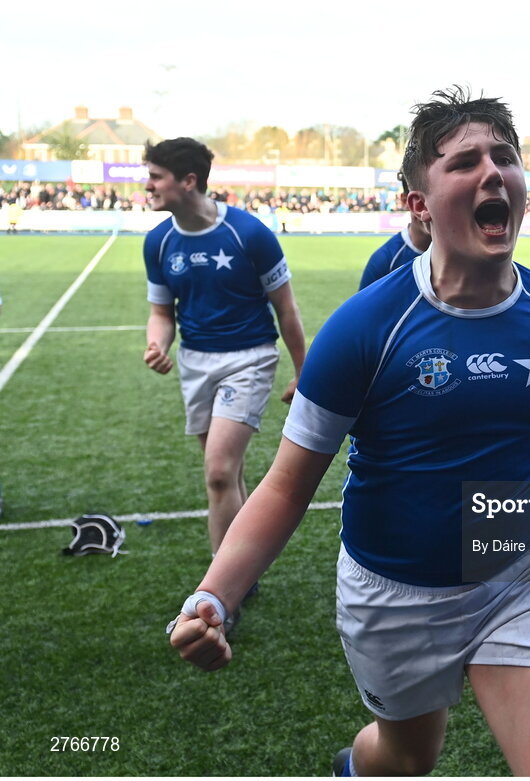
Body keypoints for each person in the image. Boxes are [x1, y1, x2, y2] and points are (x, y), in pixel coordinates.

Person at [166, 87, 530, 778]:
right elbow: (288, 486)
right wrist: (214, 595)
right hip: (393, 592)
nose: (491, 172)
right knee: (406, 757)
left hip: (517, 571)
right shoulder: (364, 327)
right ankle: (356, 764)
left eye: (504, 157)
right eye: (464, 161)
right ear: (419, 202)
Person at [142, 137, 307, 630]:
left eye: (155, 176)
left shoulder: (248, 234)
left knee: (217, 471)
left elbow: (287, 310)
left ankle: (220, 594)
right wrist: (157, 343)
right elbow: (160, 311)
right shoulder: (159, 242)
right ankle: (246, 566)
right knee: (226, 475)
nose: (147, 185)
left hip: (250, 359)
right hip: (195, 362)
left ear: (187, 181)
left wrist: (305, 372)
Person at [358, 173, 431, 290]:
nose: (427, 212)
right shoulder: (385, 261)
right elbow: (362, 307)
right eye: (419, 202)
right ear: (405, 201)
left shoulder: (464, 253)